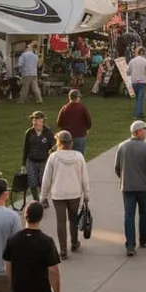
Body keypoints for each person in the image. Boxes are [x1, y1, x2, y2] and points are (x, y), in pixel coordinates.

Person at [40, 130, 91, 258]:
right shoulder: (78, 156)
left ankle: (63, 249)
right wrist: (86, 194)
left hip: (58, 194)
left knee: (61, 221)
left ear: (58, 142)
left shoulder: (53, 157)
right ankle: (74, 243)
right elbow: (84, 177)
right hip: (74, 193)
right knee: (73, 219)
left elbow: (46, 178)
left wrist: (43, 196)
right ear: (71, 142)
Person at [115, 120, 146, 256]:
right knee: (143, 213)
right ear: (138, 132)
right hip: (144, 187)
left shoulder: (122, 147)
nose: (145, 133)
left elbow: (117, 167)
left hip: (127, 186)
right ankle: (143, 238)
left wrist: (124, 178)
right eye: (144, 130)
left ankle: (130, 245)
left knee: (129, 215)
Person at [21, 110, 55, 204]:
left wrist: (52, 151)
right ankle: (36, 200)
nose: (36, 122)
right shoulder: (29, 132)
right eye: (34, 120)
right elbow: (25, 148)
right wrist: (23, 164)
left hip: (44, 161)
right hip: (32, 161)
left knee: (43, 182)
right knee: (32, 181)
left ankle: (44, 199)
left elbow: (53, 145)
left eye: (38, 120)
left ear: (43, 120)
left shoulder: (48, 132)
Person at [56, 89, 93, 155]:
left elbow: (59, 123)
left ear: (69, 97)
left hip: (67, 137)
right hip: (80, 135)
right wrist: (87, 129)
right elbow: (89, 121)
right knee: (79, 156)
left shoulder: (64, 108)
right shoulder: (82, 108)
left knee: (67, 156)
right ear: (78, 98)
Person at [127, 46, 146, 121]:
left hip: (134, 82)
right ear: (143, 53)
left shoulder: (132, 61)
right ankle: (138, 115)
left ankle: (138, 112)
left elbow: (128, 72)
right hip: (142, 82)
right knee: (141, 99)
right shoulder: (145, 61)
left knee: (138, 99)